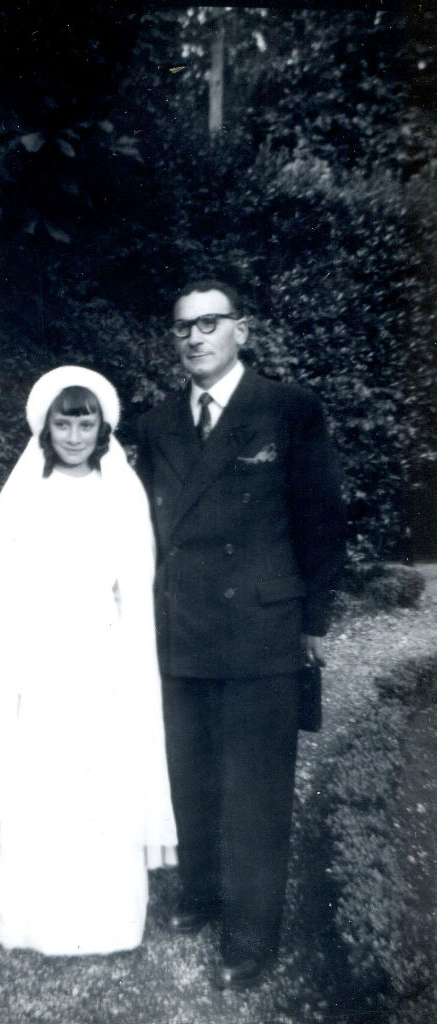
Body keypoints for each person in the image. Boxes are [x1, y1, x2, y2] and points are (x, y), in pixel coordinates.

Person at [0, 366, 177, 956]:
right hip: (37, 655)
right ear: (47, 427)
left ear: (101, 426)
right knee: (40, 779)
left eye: (86, 422)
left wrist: (129, 661)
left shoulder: (123, 490)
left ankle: (104, 921)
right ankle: (33, 918)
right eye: (65, 422)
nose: (76, 435)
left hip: (101, 654)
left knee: (98, 780)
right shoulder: (27, 491)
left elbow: (136, 585)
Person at [135, 280, 346, 989]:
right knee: (188, 777)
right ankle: (200, 896)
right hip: (182, 628)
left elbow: (321, 518)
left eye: (209, 323)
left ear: (242, 331)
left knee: (256, 792)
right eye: (182, 328)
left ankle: (252, 936)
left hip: (262, 628)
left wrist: (314, 622)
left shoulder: (288, 409)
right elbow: (144, 533)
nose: (195, 337)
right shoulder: (158, 422)